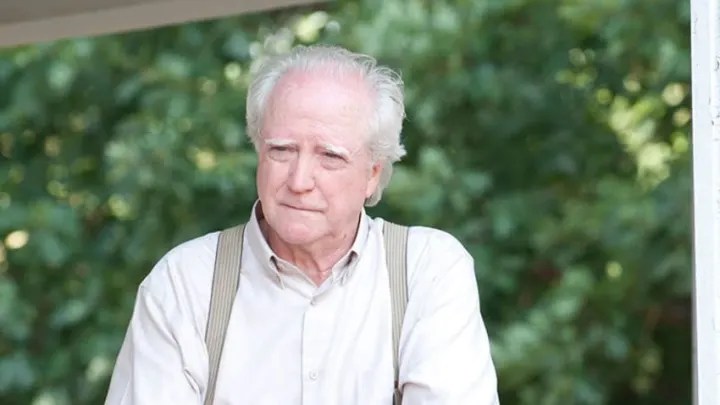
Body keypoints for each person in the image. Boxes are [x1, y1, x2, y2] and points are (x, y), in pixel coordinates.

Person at [104, 44, 499, 404]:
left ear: (373, 174)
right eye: (282, 150)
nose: (298, 181)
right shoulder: (184, 283)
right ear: (258, 151)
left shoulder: (427, 270)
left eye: (330, 156)